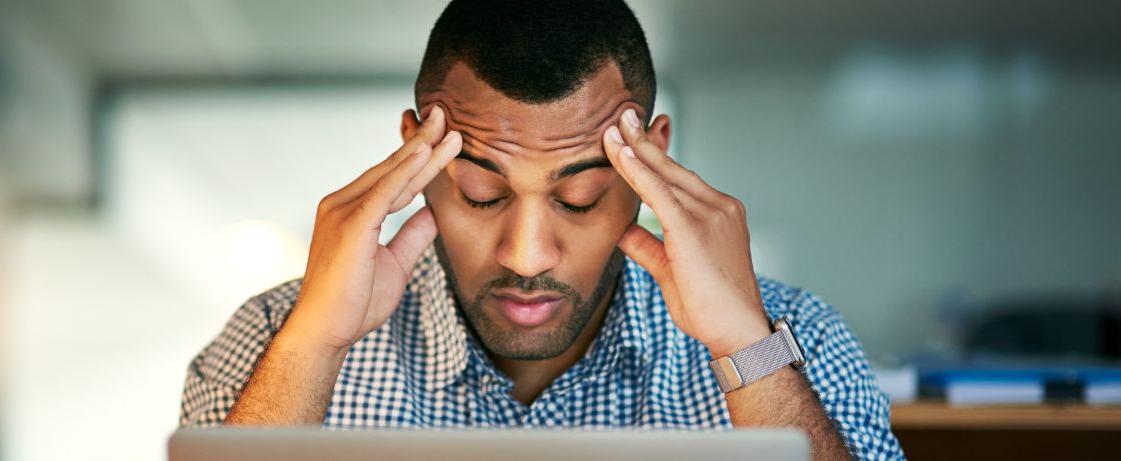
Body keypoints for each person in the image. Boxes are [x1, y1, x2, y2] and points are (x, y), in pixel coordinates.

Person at [180, 1, 904, 459]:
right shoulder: (274, 335)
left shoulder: (792, 336)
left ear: (652, 159)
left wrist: (747, 348)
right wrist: (313, 347)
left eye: (581, 198)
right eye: (480, 191)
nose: (527, 254)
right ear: (413, 156)